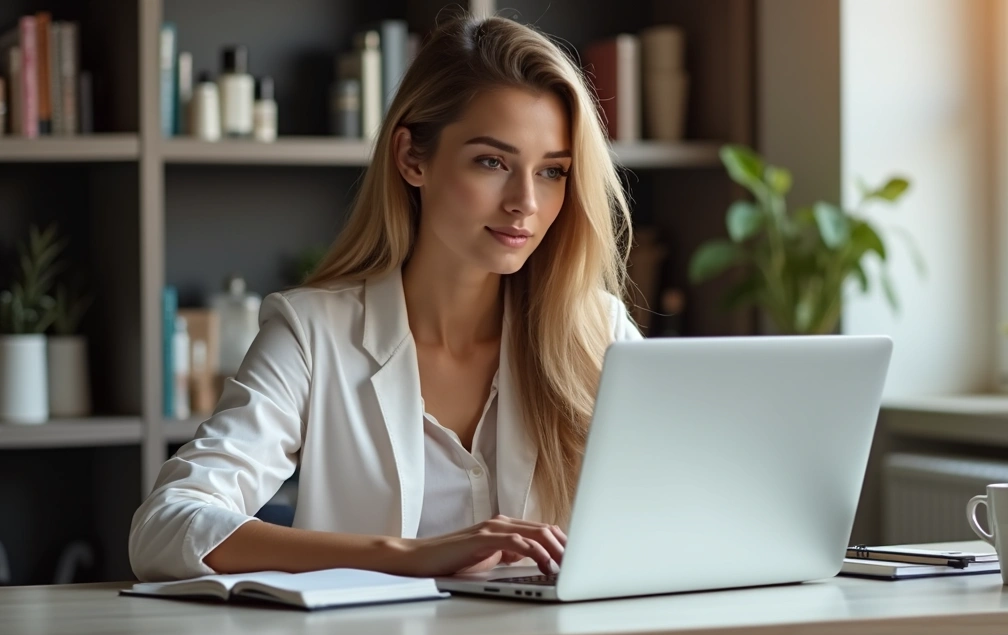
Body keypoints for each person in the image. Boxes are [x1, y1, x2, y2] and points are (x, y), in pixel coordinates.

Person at [128, 14, 642, 582]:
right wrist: (406, 557)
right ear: (411, 158)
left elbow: (690, 508)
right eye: (492, 162)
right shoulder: (312, 334)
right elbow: (166, 527)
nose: (526, 201)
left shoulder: (599, 333)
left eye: (552, 171)